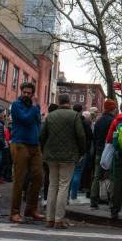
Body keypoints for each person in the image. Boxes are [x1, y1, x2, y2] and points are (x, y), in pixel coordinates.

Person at [40, 94, 86, 229]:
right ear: (69, 102)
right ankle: (59, 219)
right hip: (68, 156)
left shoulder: (51, 116)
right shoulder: (74, 116)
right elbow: (81, 136)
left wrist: (44, 151)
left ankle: (49, 218)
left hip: (51, 156)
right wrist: (81, 152)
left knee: (52, 185)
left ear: (59, 102)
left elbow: (42, 136)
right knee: (63, 186)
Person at [9, 82, 44, 223]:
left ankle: (31, 209)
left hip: (34, 145)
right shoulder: (16, 105)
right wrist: (35, 108)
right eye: (25, 92)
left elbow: (37, 123)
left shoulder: (34, 107)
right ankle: (14, 212)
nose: (26, 95)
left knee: (38, 177)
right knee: (20, 179)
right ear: (21, 92)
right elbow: (26, 119)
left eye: (29, 93)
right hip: (20, 144)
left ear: (33, 94)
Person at [89, 98, 117, 209]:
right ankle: (111, 200)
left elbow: (94, 138)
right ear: (112, 109)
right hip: (110, 153)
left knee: (96, 177)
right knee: (111, 177)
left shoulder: (99, 121)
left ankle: (93, 200)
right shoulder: (114, 121)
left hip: (99, 152)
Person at [68, 104, 92, 203]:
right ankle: (73, 196)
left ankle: (66, 196)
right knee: (77, 173)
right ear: (81, 110)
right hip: (81, 151)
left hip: (69, 150)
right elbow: (90, 136)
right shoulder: (85, 122)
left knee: (68, 174)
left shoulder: (69, 120)